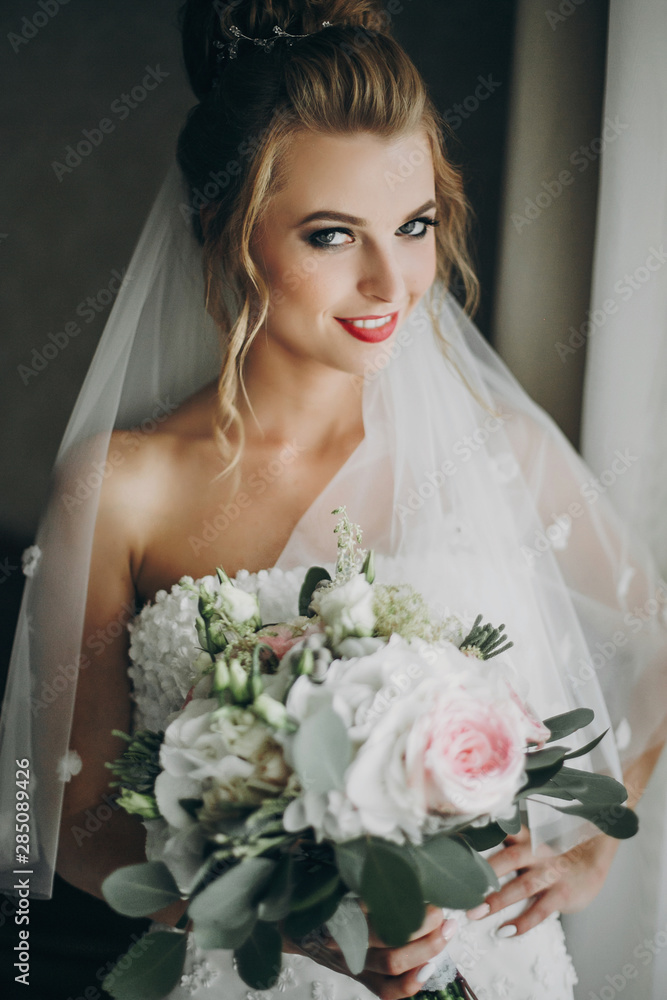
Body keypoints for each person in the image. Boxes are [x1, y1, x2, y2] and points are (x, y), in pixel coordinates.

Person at [2, 2, 667, 998]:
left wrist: (590, 845)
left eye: (413, 226)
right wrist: (280, 913)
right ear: (226, 229)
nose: (388, 281)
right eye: (329, 235)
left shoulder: (499, 452)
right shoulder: (123, 486)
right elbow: (72, 823)